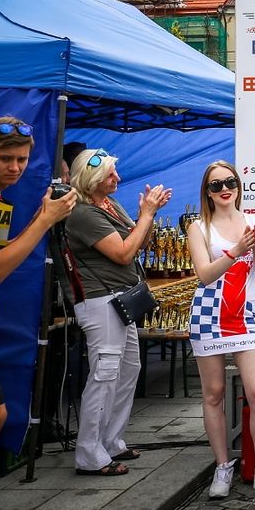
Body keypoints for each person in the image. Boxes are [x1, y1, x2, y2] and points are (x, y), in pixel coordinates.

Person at [0, 117, 77, 474]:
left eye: (22, 159)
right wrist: (44, 221)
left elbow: (1, 255)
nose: (15, 167)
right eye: (6, 159)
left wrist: (41, 217)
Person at [66, 148, 170, 476]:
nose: (117, 178)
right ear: (92, 178)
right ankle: (89, 453)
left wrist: (146, 216)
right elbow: (124, 253)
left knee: (127, 370)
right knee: (106, 374)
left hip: (119, 298)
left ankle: (111, 441)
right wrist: (146, 215)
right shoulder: (83, 213)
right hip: (100, 300)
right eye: (110, 174)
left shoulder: (108, 205)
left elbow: (139, 243)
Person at [187, 161, 255, 497]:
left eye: (230, 182)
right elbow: (205, 275)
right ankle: (223, 466)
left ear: (238, 185)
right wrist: (236, 251)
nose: (224, 189)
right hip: (209, 316)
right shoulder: (199, 227)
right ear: (207, 193)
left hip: (244, 316)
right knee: (213, 394)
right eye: (216, 185)